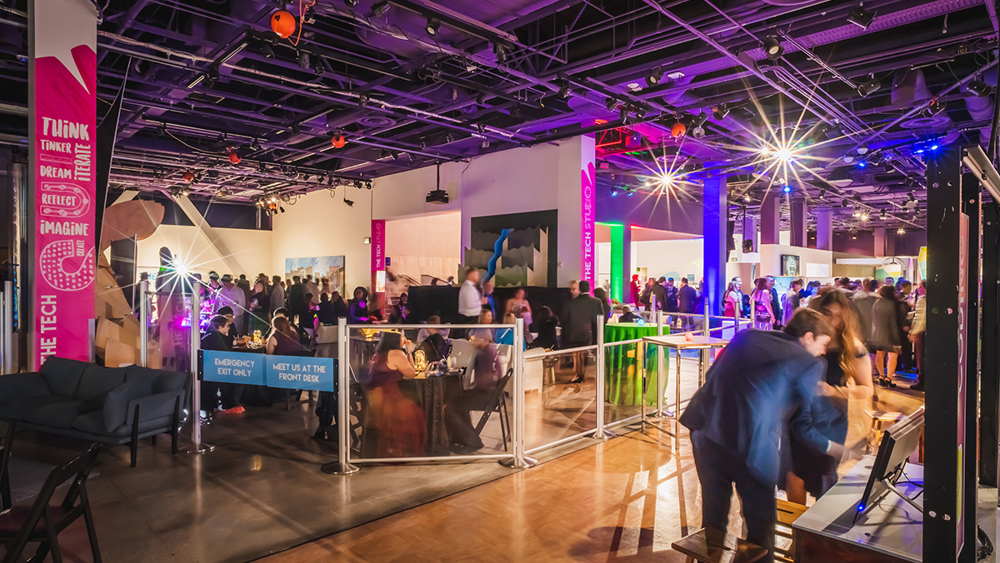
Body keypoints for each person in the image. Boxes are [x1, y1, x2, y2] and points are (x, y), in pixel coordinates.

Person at [681, 309, 841, 560]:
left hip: (705, 431)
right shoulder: (810, 362)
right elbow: (802, 425)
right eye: (823, 343)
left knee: (713, 516)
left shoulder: (748, 335)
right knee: (761, 524)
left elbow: (713, 376)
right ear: (809, 336)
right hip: (751, 446)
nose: (823, 351)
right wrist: (835, 447)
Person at [782, 289, 874, 503]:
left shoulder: (852, 346)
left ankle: (817, 524)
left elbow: (867, 389)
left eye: (838, 315)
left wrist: (834, 391)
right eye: (827, 313)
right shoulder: (806, 339)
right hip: (797, 417)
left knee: (823, 481)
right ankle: (798, 524)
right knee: (793, 476)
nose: (832, 320)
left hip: (830, 422)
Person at [445, 325, 505, 453]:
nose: (472, 342)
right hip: (490, 393)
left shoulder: (486, 354)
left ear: (482, 338)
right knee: (457, 400)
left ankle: (473, 442)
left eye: (474, 339)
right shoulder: (488, 351)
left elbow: (488, 378)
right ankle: (463, 438)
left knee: (450, 407)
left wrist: (474, 384)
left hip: (487, 395)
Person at [367, 332, 427, 457]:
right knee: (417, 412)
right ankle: (400, 449)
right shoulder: (396, 353)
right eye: (402, 336)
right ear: (395, 339)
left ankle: (395, 448)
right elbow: (412, 374)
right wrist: (409, 352)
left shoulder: (378, 353)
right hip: (387, 399)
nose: (405, 339)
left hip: (373, 398)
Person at [561, 280, 604, 384]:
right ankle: (582, 374)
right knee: (584, 353)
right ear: (589, 288)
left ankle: (578, 374)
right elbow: (601, 317)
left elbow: (563, 318)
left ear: (579, 289)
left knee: (577, 354)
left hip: (574, 332)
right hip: (589, 332)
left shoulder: (572, 302)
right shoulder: (596, 301)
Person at [200, 315, 245, 415]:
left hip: (208, 370)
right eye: (227, 326)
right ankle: (232, 403)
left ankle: (225, 403)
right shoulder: (225, 339)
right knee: (242, 374)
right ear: (220, 327)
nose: (229, 328)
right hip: (221, 369)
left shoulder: (206, 338)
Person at [870, 285, 902, 387]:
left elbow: (873, 319)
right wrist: (897, 339)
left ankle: (881, 375)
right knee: (892, 355)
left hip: (878, 333)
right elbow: (893, 323)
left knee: (879, 354)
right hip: (891, 333)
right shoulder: (894, 304)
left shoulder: (876, 303)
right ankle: (889, 378)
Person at [909, 282, 927, 391]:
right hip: (927, 332)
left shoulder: (922, 299)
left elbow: (919, 317)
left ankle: (922, 381)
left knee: (920, 358)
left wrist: (914, 332)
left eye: (920, 287)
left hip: (920, 333)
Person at [457, 268, 483, 338]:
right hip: (469, 319)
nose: (478, 277)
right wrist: (481, 302)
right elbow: (469, 304)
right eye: (476, 275)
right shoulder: (467, 288)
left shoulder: (471, 287)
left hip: (472, 318)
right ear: (471, 275)